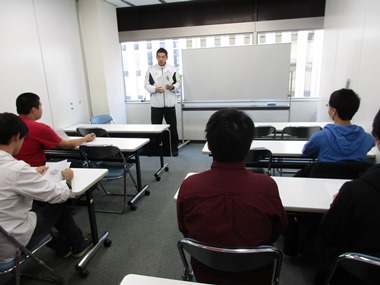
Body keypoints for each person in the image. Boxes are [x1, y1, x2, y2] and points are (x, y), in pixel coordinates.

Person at [176, 108, 288, 285]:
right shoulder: (266, 185)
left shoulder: (190, 185)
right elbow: (278, 230)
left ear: (209, 145)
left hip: (206, 274)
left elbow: (185, 230)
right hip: (256, 276)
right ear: (248, 145)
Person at [0, 113, 93, 262]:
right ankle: (78, 244)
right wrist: (67, 180)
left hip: (4, 231)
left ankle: (61, 247)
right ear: (16, 137)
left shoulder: (13, 169)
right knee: (57, 203)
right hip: (11, 244)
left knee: (37, 206)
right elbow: (58, 195)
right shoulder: (17, 169)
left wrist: (31, 172)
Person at [314, 108, 380, 285]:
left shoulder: (355, 192)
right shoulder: (365, 139)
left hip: (357, 275)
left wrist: (339, 205)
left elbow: (329, 234)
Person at [14, 92, 96, 167]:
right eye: (40, 106)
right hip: (37, 168)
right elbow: (66, 145)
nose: (42, 109)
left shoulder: (9, 124)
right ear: (34, 110)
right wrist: (85, 138)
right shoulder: (40, 128)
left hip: (14, 168)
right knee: (79, 163)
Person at [302, 88, 375, 162]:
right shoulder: (367, 139)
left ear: (333, 111)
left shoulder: (320, 137)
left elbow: (306, 152)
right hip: (354, 173)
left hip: (326, 173)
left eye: (328, 106)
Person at [144, 48, 181, 157]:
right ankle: (155, 148)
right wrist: (155, 89)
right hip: (156, 105)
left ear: (166, 57)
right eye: (159, 57)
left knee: (172, 127)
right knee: (155, 128)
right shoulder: (151, 70)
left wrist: (172, 87)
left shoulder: (173, 69)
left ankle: (174, 148)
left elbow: (178, 84)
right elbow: (146, 85)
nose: (161, 59)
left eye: (163, 57)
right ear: (156, 57)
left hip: (169, 104)